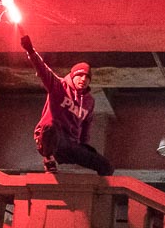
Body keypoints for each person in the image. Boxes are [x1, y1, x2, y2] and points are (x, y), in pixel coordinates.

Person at [21, 33, 115, 176]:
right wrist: (30, 51)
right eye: (80, 76)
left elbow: (85, 127)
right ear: (73, 76)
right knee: (50, 127)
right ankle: (49, 159)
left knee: (106, 166)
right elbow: (43, 70)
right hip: (52, 137)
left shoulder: (89, 101)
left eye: (87, 77)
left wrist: (83, 148)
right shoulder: (59, 86)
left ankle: (102, 191)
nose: (83, 79)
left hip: (71, 144)